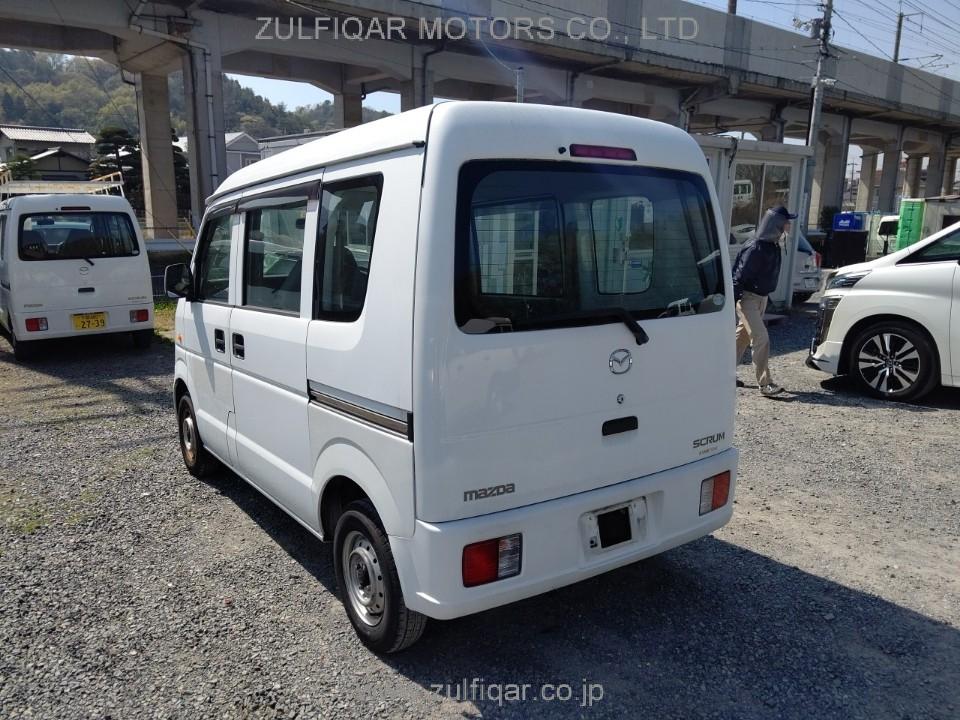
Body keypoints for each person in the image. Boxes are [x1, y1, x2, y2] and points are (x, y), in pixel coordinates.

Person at [732, 205, 796, 397]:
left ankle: (723, 374)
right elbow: (739, 277)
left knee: (742, 338)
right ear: (777, 224)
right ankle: (765, 383)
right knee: (761, 338)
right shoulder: (756, 247)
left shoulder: (773, 245)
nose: (789, 225)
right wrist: (730, 304)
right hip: (748, 299)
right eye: (786, 222)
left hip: (761, 298)